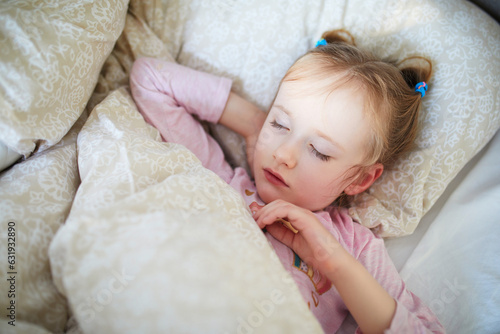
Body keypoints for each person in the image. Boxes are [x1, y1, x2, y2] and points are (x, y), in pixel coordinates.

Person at [129, 30, 444, 333]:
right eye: (279, 123)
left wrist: (333, 262)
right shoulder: (221, 179)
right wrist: (254, 124)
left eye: (319, 152)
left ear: (361, 179)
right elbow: (150, 78)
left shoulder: (353, 247)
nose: (283, 154)